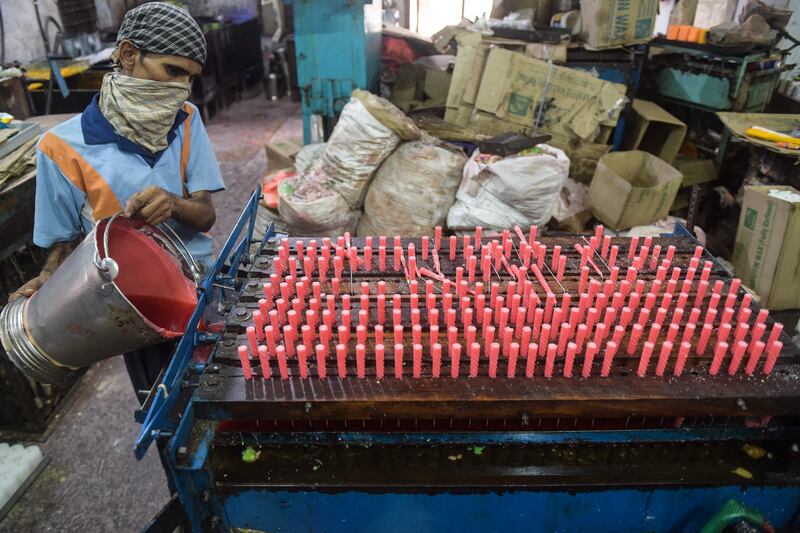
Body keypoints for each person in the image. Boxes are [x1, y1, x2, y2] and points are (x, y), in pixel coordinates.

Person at [10, 2, 225, 400]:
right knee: (166, 408)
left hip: (204, 286)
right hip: (137, 309)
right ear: (128, 55)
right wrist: (49, 277)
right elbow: (63, 242)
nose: (181, 89)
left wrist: (175, 205)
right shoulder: (60, 147)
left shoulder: (187, 119)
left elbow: (206, 215)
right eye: (172, 71)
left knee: (226, 393)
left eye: (190, 78)